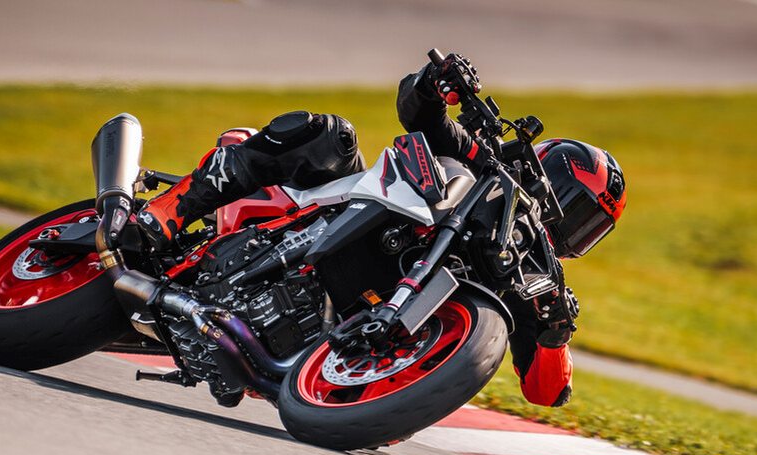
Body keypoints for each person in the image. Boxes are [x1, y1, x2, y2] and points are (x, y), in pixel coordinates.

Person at [138, 55, 626, 408]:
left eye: (589, 226)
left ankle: (353, 380)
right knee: (329, 135)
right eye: (573, 204)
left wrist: (557, 333)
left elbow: (547, 393)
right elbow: (419, 113)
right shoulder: (487, 165)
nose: (568, 223)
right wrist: (435, 81)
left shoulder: (535, 282)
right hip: (336, 212)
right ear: (543, 172)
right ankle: (168, 211)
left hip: (347, 350)